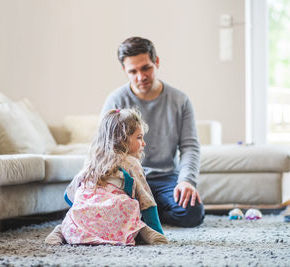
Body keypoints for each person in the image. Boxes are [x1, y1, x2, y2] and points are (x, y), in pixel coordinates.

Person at [100, 36, 204, 228]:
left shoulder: (180, 100)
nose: (141, 76)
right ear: (125, 71)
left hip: (166, 179)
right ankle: (149, 213)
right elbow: (104, 149)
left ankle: (147, 214)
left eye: (146, 67)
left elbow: (190, 147)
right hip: (127, 178)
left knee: (192, 213)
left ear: (156, 62)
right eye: (133, 71)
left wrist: (186, 181)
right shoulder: (115, 100)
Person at [45, 109, 168, 245]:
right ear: (123, 139)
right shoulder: (131, 163)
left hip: (89, 217)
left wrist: (85, 210)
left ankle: (63, 230)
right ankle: (144, 231)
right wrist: (158, 231)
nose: (144, 143)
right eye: (139, 138)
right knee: (129, 208)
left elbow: (69, 195)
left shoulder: (92, 161)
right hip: (113, 212)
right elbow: (147, 201)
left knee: (74, 216)